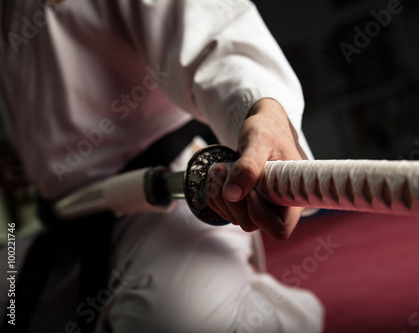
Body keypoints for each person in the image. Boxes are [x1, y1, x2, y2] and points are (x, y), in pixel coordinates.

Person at [0, 0, 324, 332]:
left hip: (173, 191)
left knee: (169, 322)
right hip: (66, 220)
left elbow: (214, 33)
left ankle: (280, 316)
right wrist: (30, 152)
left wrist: (263, 112)